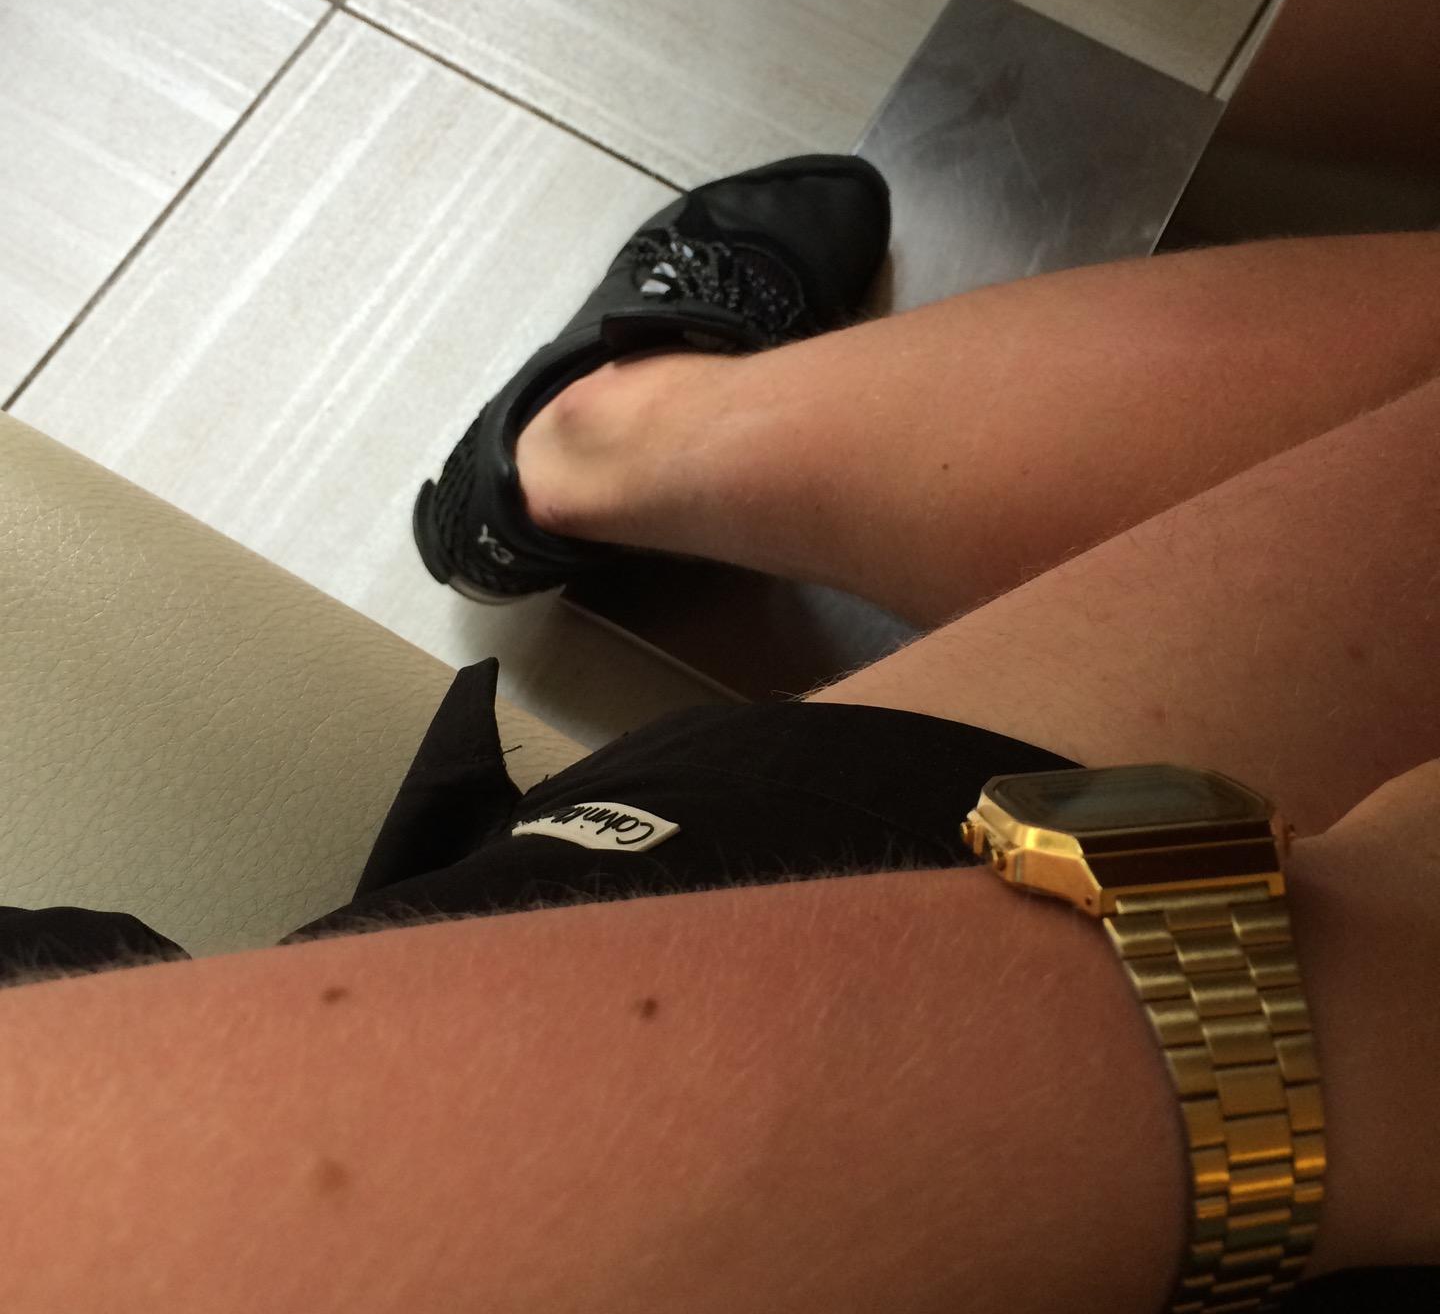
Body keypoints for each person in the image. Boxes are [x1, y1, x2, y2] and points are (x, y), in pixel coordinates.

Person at [1, 158, 1437, 1312]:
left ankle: (595, 444)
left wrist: (1332, 1017)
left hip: (523, 1082)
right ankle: (605, 443)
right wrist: (1313, 1037)